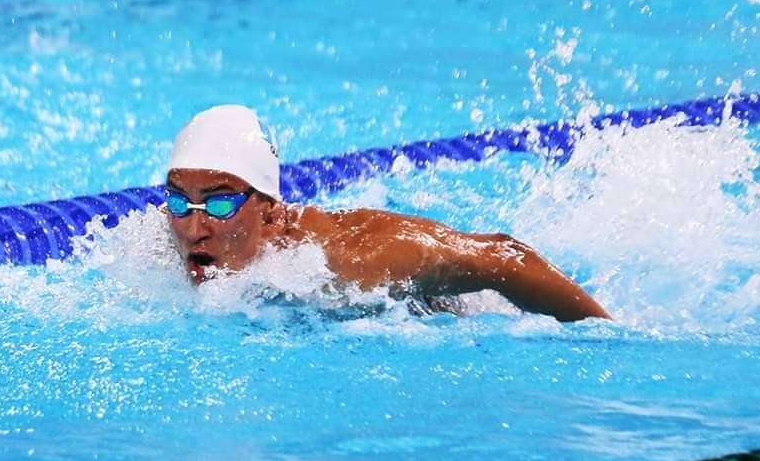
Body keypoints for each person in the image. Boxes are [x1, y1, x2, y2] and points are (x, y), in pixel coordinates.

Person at [163, 105, 610, 322]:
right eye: (180, 202)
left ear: (270, 212)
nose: (194, 229)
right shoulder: (161, 242)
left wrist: (606, 342)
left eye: (219, 204)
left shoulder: (348, 260)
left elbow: (505, 258)